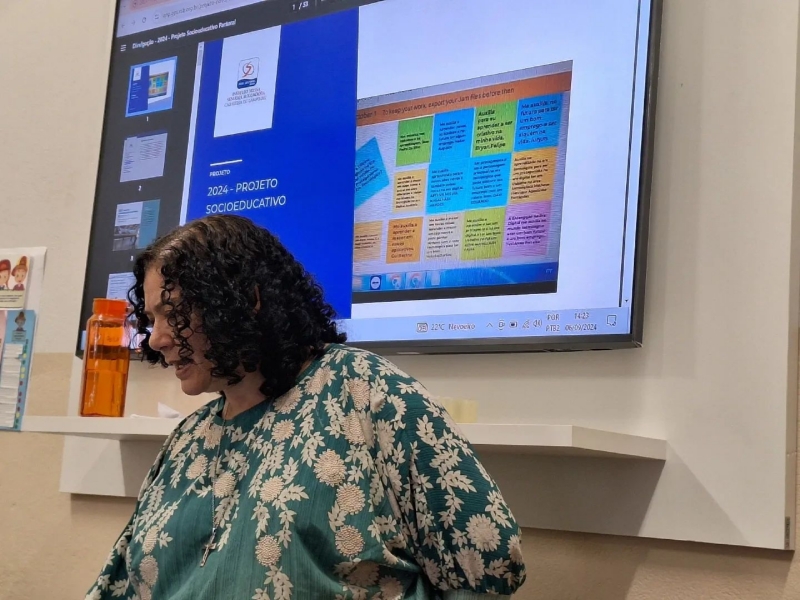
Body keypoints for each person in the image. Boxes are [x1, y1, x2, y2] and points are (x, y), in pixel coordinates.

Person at [86, 215, 526, 600]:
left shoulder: (369, 394)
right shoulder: (187, 440)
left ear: (245, 300)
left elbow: (484, 561)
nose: (158, 339)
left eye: (175, 312)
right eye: (152, 318)